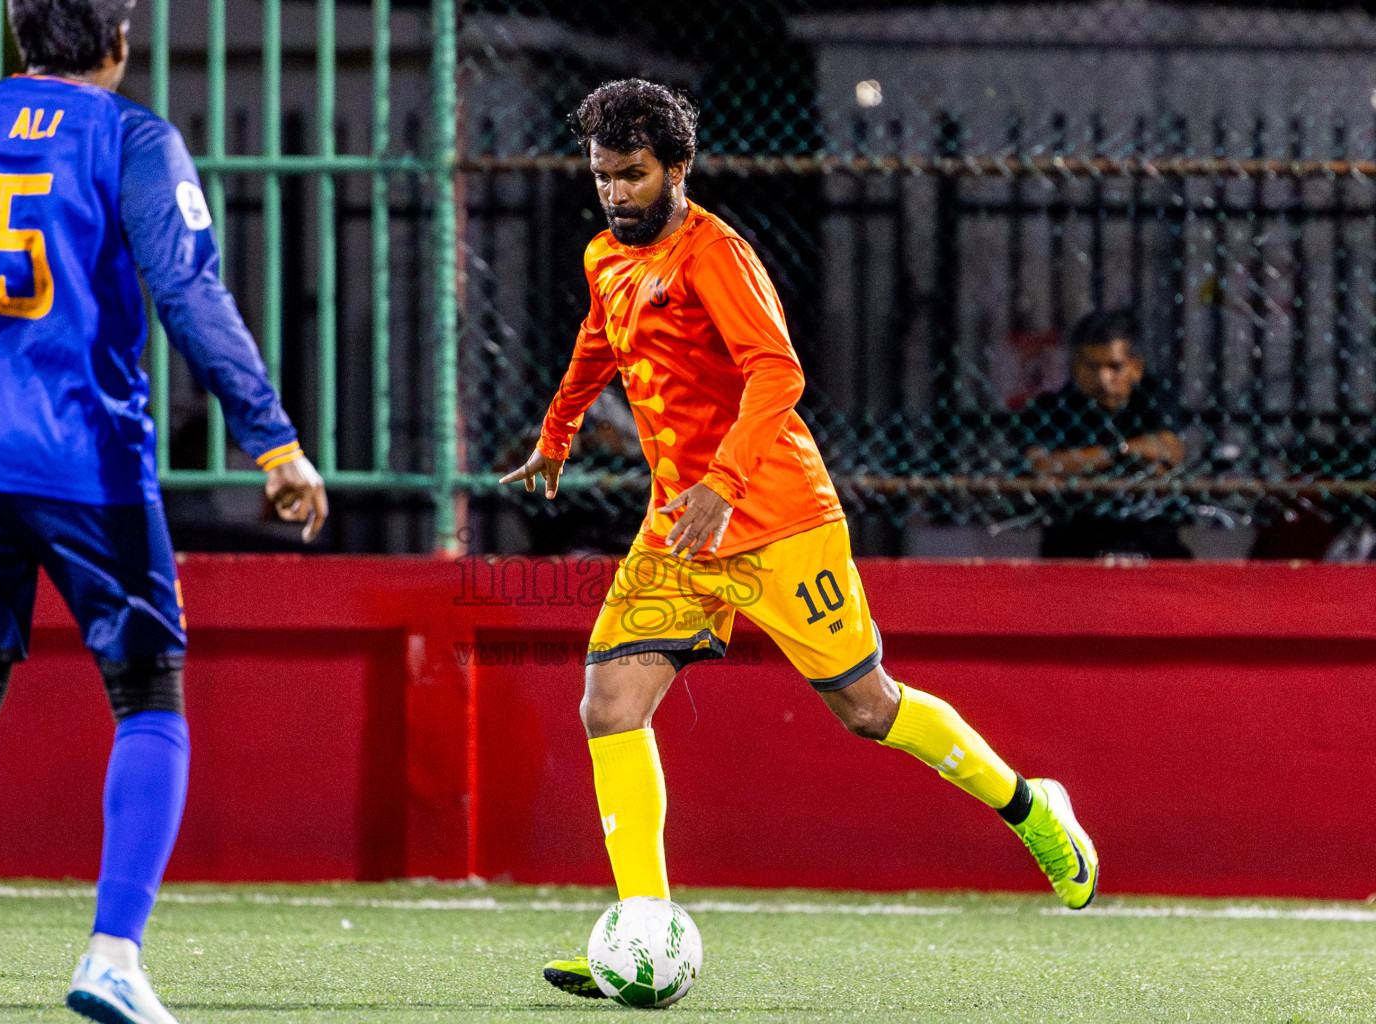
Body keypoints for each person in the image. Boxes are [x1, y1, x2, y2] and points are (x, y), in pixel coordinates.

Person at [499, 79, 1099, 1001]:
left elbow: (778, 374)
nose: (615, 193)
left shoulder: (717, 256)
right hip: (680, 527)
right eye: (602, 174)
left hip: (778, 518)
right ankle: (644, 931)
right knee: (610, 705)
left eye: (632, 174)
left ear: (678, 169)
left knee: (868, 708)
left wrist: (723, 482)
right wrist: (557, 432)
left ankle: (1031, 807)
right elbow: (598, 338)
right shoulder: (605, 255)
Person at [0, 1, 328, 1020]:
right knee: (149, 695)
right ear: (119, 42)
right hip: (86, 461)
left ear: (22, 38)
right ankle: (111, 954)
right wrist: (273, 439)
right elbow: (188, 291)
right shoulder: (134, 138)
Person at [1021, 310, 1189, 559]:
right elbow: (1041, 466)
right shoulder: (1051, 409)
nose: (1103, 379)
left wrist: (1080, 464)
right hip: (1074, 544)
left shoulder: (1153, 399)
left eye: (1114, 367)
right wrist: (1120, 454)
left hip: (1150, 543)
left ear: (1136, 367)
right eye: (1092, 366)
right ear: (1075, 366)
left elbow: (1168, 451)